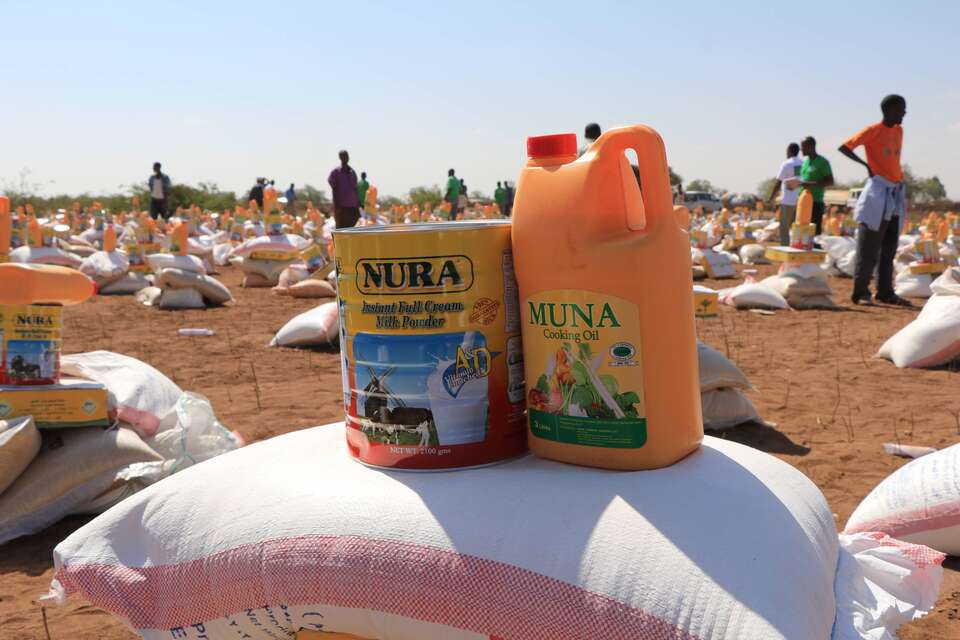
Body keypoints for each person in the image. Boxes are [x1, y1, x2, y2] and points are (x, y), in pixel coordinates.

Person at [839, 95, 910, 306]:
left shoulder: (899, 130)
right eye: (901, 109)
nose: (904, 113)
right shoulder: (872, 131)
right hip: (878, 194)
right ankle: (861, 292)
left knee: (889, 248)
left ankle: (885, 291)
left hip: (894, 194)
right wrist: (866, 166)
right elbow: (845, 147)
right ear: (890, 110)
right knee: (869, 247)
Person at [768, 143, 804, 245]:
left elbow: (778, 182)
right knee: (798, 226)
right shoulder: (803, 164)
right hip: (800, 200)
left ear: (789, 151)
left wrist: (771, 197)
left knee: (784, 227)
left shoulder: (786, 164)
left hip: (787, 200)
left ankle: (785, 246)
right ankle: (798, 246)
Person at [798, 137, 834, 235]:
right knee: (801, 232)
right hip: (803, 202)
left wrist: (810, 184)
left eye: (803, 146)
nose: (801, 149)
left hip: (815, 202)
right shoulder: (805, 162)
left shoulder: (822, 162)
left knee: (813, 234)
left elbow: (830, 181)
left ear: (811, 146)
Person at [328, 150, 360, 228]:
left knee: (353, 229)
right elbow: (333, 186)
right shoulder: (336, 172)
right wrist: (336, 206)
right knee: (341, 229)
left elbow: (355, 188)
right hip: (341, 207)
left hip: (353, 207)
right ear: (340, 158)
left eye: (347, 156)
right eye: (344, 156)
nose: (346, 158)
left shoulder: (352, 172)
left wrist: (358, 204)